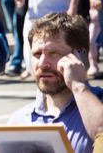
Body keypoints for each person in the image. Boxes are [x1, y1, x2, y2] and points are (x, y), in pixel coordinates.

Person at [8, 12, 103, 153]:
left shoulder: (99, 106)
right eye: (37, 54)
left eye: (54, 53)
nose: (42, 64)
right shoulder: (18, 121)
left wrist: (78, 86)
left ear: (81, 58)